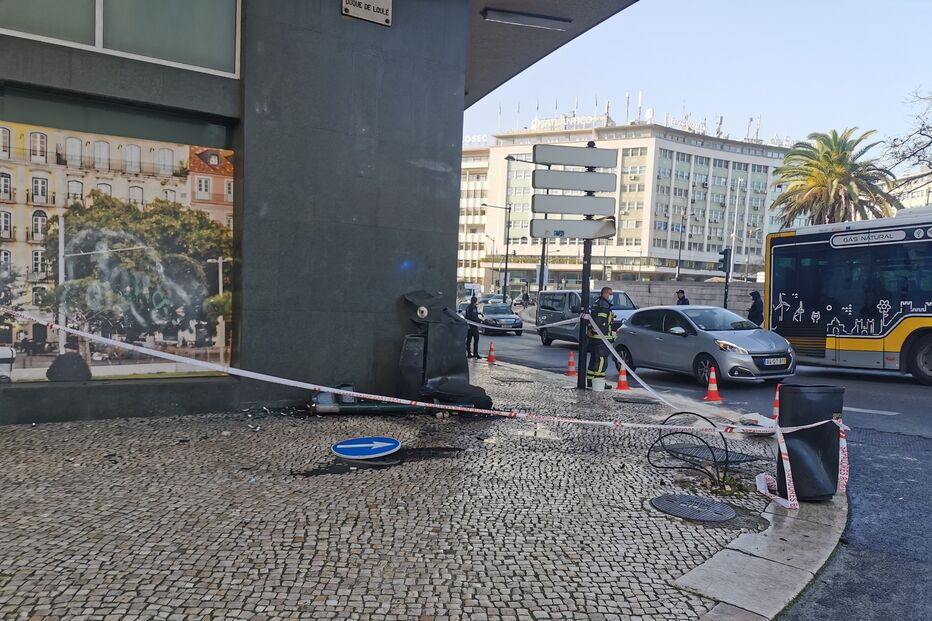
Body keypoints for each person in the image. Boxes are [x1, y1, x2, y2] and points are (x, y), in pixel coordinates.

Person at [587, 286, 614, 389]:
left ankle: (590, 381)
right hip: (601, 338)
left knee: (594, 360)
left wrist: (590, 329)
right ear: (605, 294)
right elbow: (600, 321)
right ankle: (599, 382)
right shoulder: (604, 305)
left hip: (595, 338)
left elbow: (593, 318)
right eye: (610, 294)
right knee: (602, 361)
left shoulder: (596, 303)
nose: (611, 296)